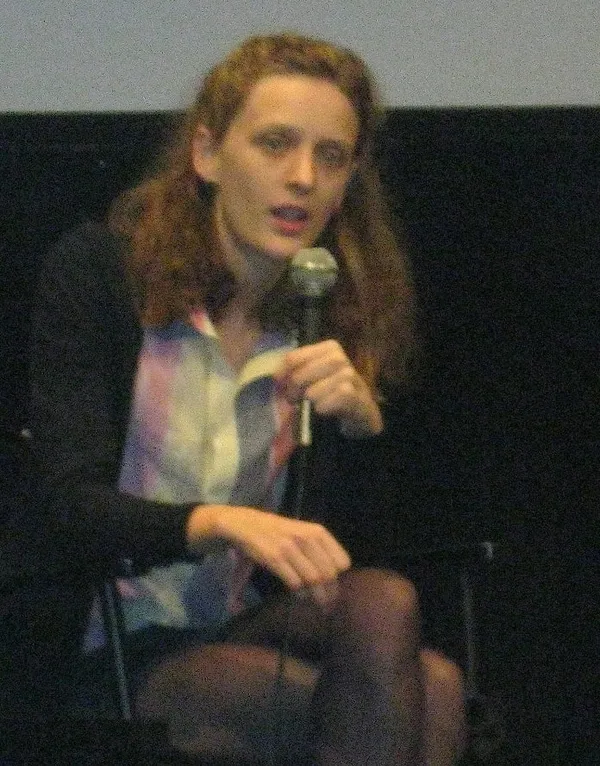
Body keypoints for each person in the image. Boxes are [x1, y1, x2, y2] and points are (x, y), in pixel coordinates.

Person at [27, 32, 466, 766]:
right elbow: (63, 507)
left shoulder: (325, 314)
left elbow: (343, 557)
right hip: (106, 637)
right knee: (434, 695)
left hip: (233, 621)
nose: (303, 178)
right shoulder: (103, 276)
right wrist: (220, 523)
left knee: (390, 609)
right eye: (275, 144)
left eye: (332, 157)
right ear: (206, 154)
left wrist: (362, 432)